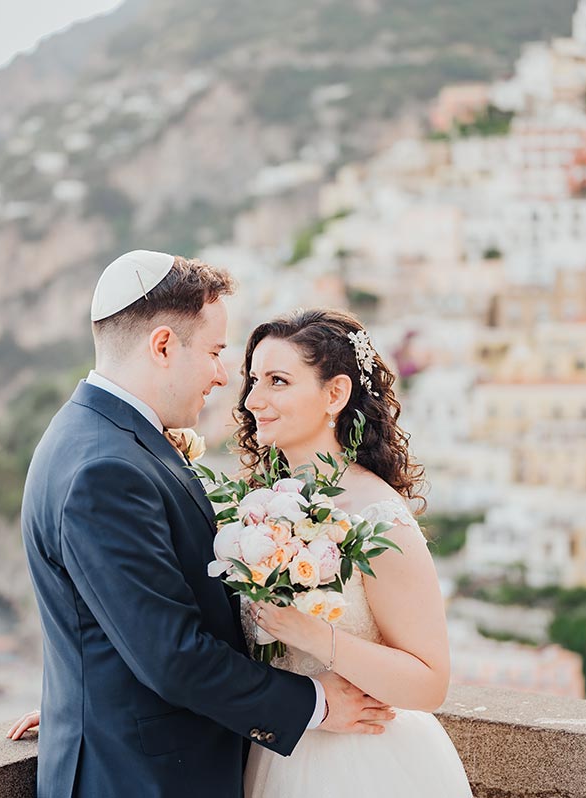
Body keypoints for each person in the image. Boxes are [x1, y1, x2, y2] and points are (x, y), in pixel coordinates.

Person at [9, 252, 392, 798]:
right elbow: (173, 656)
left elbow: (119, 618)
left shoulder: (95, 436)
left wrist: (85, 696)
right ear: (163, 346)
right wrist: (317, 702)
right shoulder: (106, 467)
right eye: (214, 351)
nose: (222, 375)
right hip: (144, 781)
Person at [237, 307, 473, 797]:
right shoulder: (257, 507)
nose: (254, 399)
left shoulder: (378, 515)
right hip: (276, 750)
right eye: (253, 380)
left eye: (277, 381)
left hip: (363, 764)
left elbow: (430, 684)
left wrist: (313, 635)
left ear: (335, 394)